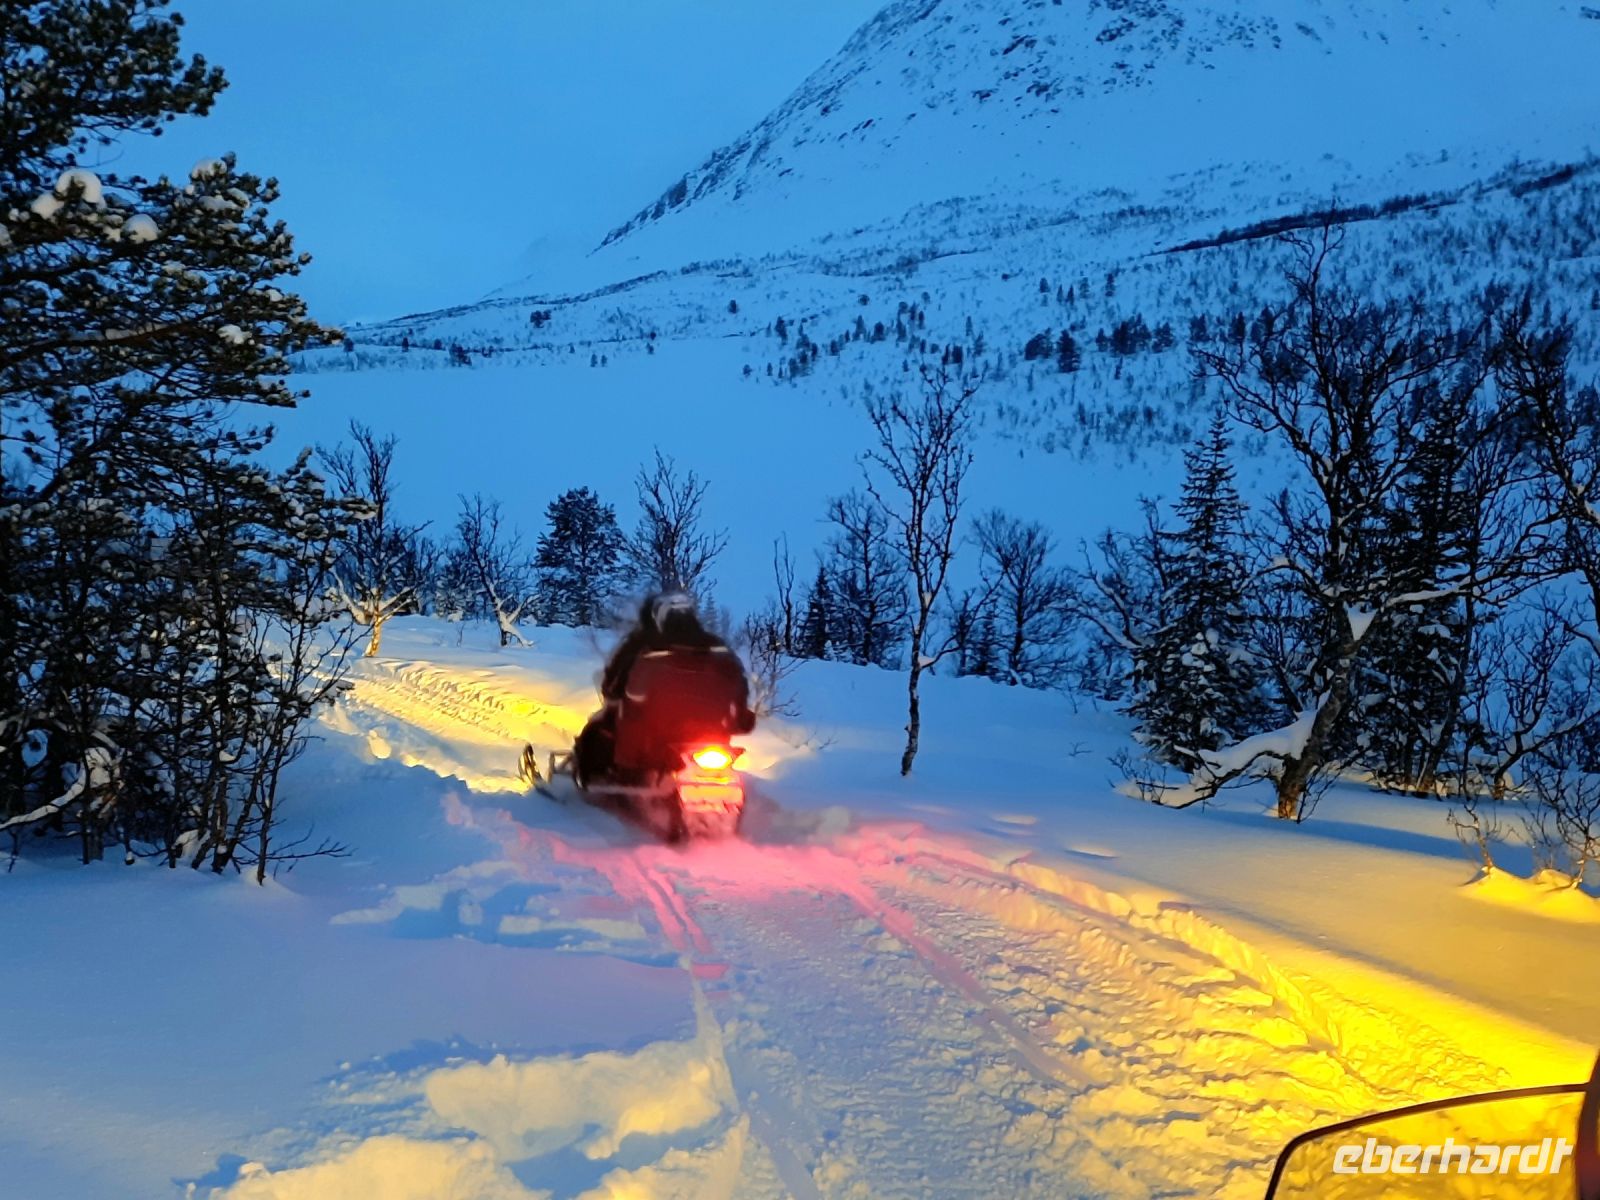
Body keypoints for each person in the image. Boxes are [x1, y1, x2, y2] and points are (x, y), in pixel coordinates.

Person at [574, 593, 755, 785]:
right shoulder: (717, 648)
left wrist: (616, 691)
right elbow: (739, 683)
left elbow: (617, 681)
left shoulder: (643, 645)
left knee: (600, 731)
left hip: (657, 736)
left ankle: (600, 779)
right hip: (712, 732)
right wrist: (740, 713)